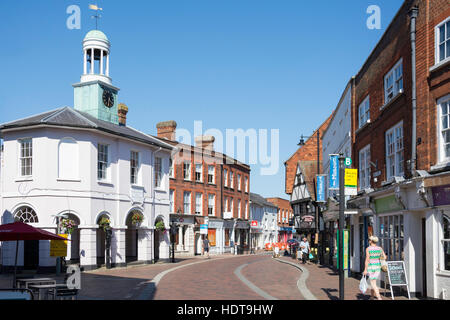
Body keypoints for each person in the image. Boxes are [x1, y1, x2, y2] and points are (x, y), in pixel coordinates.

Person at [363, 236, 387, 300]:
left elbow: (367, 259)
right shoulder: (380, 248)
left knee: (372, 282)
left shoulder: (368, 249)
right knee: (373, 282)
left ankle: (379, 297)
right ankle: (372, 297)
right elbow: (385, 257)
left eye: (369, 240)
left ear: (371, 241)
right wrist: (378, 257)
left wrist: (365, 269)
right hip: (377, 267)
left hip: (371, 267)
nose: (368, 241)